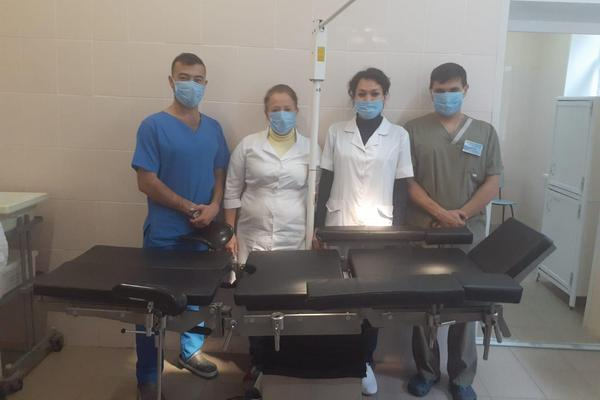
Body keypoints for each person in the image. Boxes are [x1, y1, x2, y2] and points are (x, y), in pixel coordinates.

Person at [131, 53, 230, 400]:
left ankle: (190, 352)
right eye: (184, 78)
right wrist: (188, 207)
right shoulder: (153, 126)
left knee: (197, 301)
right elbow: (146, 181)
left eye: (198, 79)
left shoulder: (213, 128)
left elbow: (220, 172)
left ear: (206, 84)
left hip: (203, 233)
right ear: (171, 82)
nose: (191, 84)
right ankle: (147, 373)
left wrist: (214, 206)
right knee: (151, 307)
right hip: (165, 233)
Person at [404, 62, 503, 400]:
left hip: (468, 233)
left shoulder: (485, 132)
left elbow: (492, 181)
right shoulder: (413, 130)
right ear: (431, 91)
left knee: (467, 306)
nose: (446, 96)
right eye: (440, 91)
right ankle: (426, 371)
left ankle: (462, 378)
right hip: (424, 230)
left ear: (466, 90)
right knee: (423, 304)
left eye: (453, 90)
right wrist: (439, 213)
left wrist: (461, 214)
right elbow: (407, 182)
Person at [315, 67, 414, 396]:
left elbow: (401, 188)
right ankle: (339, 358)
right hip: (339, 224)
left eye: (375, 94)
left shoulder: (398, 135)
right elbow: (326, 181)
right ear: (352, 97)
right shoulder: (336, 132)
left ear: (385, 96)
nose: (368, 99)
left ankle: (365, 361)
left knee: (371, 299)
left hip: (379, 229)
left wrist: (398, 234)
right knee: (337, 294)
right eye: (362, 94)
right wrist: (317, 228)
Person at [224, 84, 314, 263]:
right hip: (252, 235)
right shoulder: (248, 145)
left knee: (291, 279)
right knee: (251, 278)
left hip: (294, 236)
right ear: (266, 113)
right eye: (275, 110)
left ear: (296, 111)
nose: (282, 114)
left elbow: (314, 195)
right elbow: (232, 191)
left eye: (287, 109)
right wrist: (229, 233)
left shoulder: (311, 149)